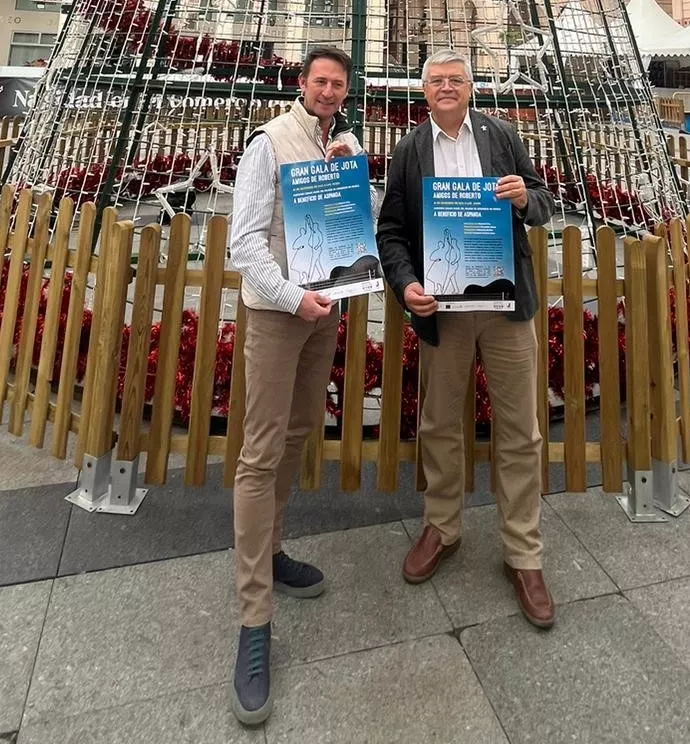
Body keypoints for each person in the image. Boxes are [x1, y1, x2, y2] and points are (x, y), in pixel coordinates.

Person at [376, 49, 557, 629]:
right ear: (424, 92)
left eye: (456, 80)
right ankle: (443, 526)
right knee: (439, 423)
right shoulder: (410, 149)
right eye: (436, 82)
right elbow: (392, 232)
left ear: (471, 88)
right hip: (444, 311)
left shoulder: (501, 136)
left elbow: (545, 203)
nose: (446, 88)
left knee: (520, 428)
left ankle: (523, 553)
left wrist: (526, 200)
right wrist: (406, 287)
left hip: (505, 310)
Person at [227, 45, 373, 726]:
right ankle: (253, 620)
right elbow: (245, 242)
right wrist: (291, 298)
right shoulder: (270, 141)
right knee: (259, 453)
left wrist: (357, 175)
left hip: (325, 313)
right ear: (301, 84)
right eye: (320, 81)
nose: (328, 91)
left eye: (338, 84)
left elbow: (360, 221)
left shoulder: (341, 141)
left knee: (293, 436)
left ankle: (275, 550)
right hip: (283, 314)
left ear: (345, 93)